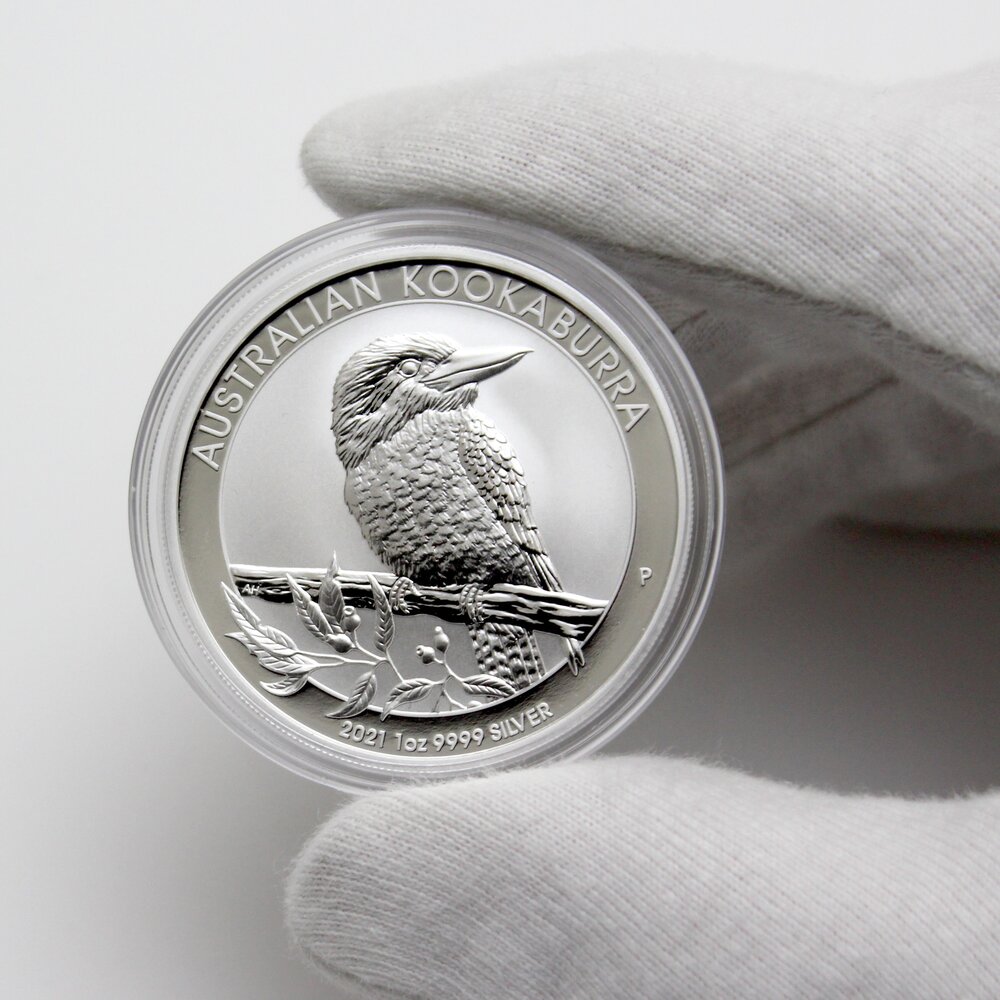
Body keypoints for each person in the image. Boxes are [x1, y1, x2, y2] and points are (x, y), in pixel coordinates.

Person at [285, 54, 1000, 998]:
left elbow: (511, 537)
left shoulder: (464, 441)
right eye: (422, 373)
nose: (449, 382)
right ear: (378, 395)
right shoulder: (374, 463)